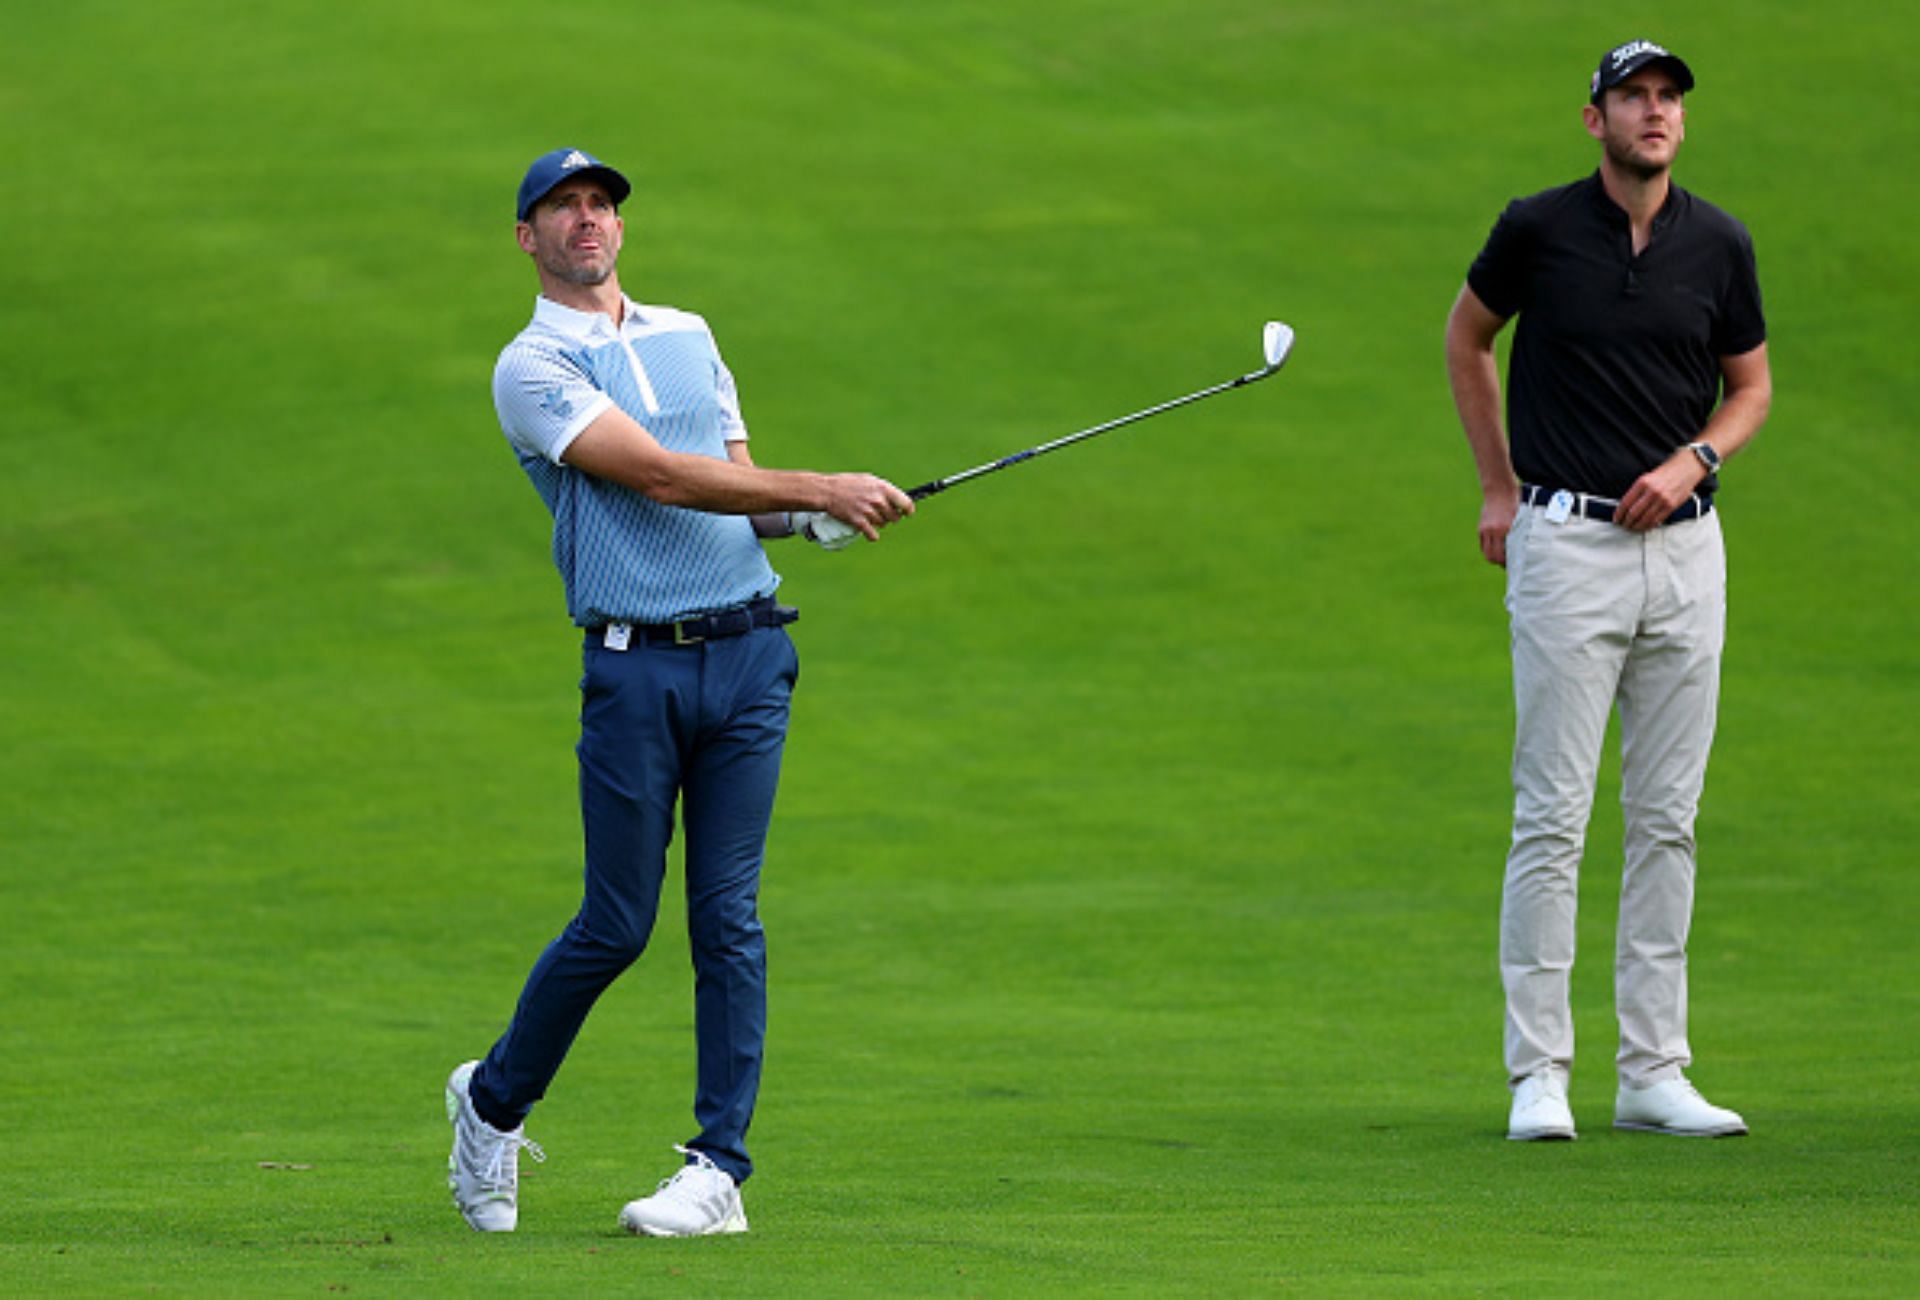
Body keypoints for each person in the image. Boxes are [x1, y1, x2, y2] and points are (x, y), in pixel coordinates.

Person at [445, 147, 914, 1235]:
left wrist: (806, 517)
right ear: (528, 237)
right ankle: (493, 1099)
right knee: (616, 922)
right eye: (561, 207)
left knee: (728, 919)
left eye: (601, 203)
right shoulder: (531, 367)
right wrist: (819, 482)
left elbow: (734, 489)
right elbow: (655, 472)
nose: (587, 220)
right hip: (634, 666)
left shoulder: (689, 335)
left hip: (750, 654)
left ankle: (718, 1172)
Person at [1444, 42, 1771, 1142]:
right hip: (1566, 543)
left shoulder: (1718, 242)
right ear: (1594, 120)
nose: (1655, 112)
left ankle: (1653, 1070)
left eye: (1669, 97)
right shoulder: (1537, 230)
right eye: (1634, 96)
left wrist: (1697, 460)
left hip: (1687, 552)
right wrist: (1497, 485)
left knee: (1668, 819)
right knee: (1552, 816)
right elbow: (1467, 338)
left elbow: (1751, 386)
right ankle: (1539, 1072)